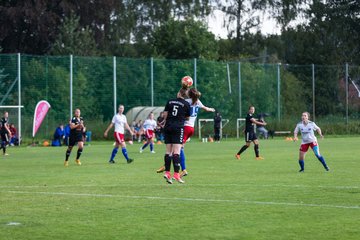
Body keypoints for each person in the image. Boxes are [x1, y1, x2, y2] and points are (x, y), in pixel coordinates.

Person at [179, 88, 215, 177]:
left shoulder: (186, 101)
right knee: (180, 147)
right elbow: (205, 108)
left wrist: (182, 89)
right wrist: (211, 109)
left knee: (178, 148)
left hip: (185, 127)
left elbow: (178, 98)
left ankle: (182, 169)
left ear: (189, 94)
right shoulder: (197, 101)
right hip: (191, 128)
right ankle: (178, 167)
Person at [161, 88, 190, 184]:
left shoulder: (169, 101)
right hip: (178, 128)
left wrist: (167, 120)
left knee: (168, 152)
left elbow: (165, 114)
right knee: (176, 152)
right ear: (185, 95)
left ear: (178, 93)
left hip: (168, 126)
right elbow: (188, 117)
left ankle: (167, 172)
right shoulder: (186, 104)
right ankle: (176, 174)